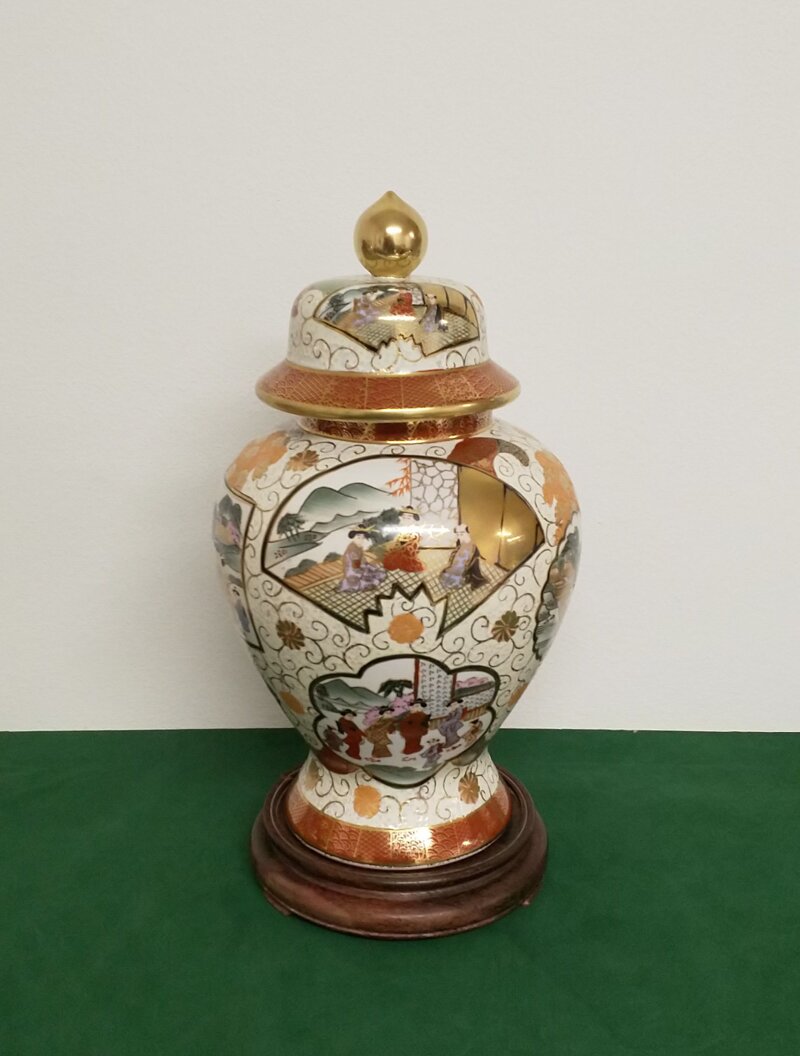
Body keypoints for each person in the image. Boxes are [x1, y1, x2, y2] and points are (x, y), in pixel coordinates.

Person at [439, 524, 487, 590]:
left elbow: (464, 563)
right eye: (458, 534)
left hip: (460, 573)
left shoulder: (470, 546)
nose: (459, 536)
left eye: (461, 533)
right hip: (457, 572)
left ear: (467, 532)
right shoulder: (462, 544)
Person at [383, 507, 425, 573]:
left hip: (407, 551)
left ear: (414, 518)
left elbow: (410, 542)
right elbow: (396, 540)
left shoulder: (414, 530)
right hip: (398, 549)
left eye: (409, 517)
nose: (406, 518)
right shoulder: (400, 529)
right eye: (404, 516)